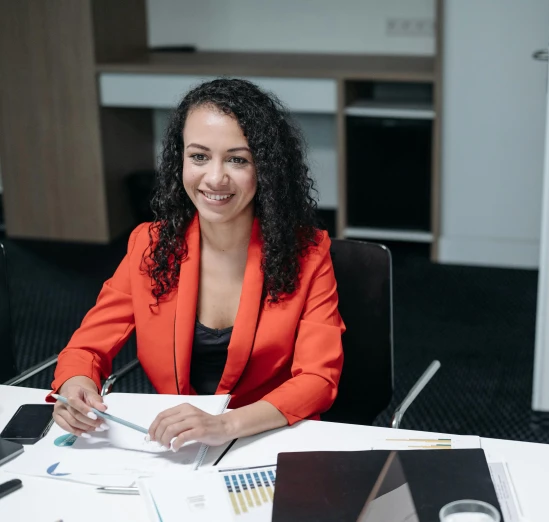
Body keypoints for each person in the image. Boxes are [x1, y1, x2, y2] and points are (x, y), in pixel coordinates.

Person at [48, 79, 345, 451]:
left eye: (238, 159)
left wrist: (225, 424)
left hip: (268, 438)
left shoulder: (308, 253)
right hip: (179, 447)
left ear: (266, 169)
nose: (215, 178)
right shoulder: (150, 245)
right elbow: (86, 349)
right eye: (199, 156)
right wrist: (76, 387)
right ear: (180, 160)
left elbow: (318, 379)